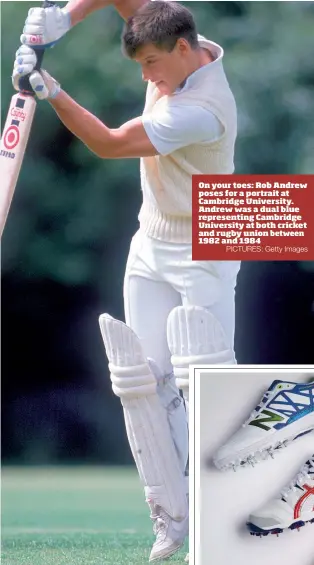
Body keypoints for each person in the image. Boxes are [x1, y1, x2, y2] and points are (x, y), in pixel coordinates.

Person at [13, 0, 241, 561]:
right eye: (139, 64)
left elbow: (110, 144)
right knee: (141, 378)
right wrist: (62, 19)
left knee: (206, 379)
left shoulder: (200, 108)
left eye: (152, 65)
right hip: (153, 235)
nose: (146, 77)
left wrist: (50, 90)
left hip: (213, 232)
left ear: (183, 50)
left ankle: (228, 515)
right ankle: (170, 516)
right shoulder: (176, 38)